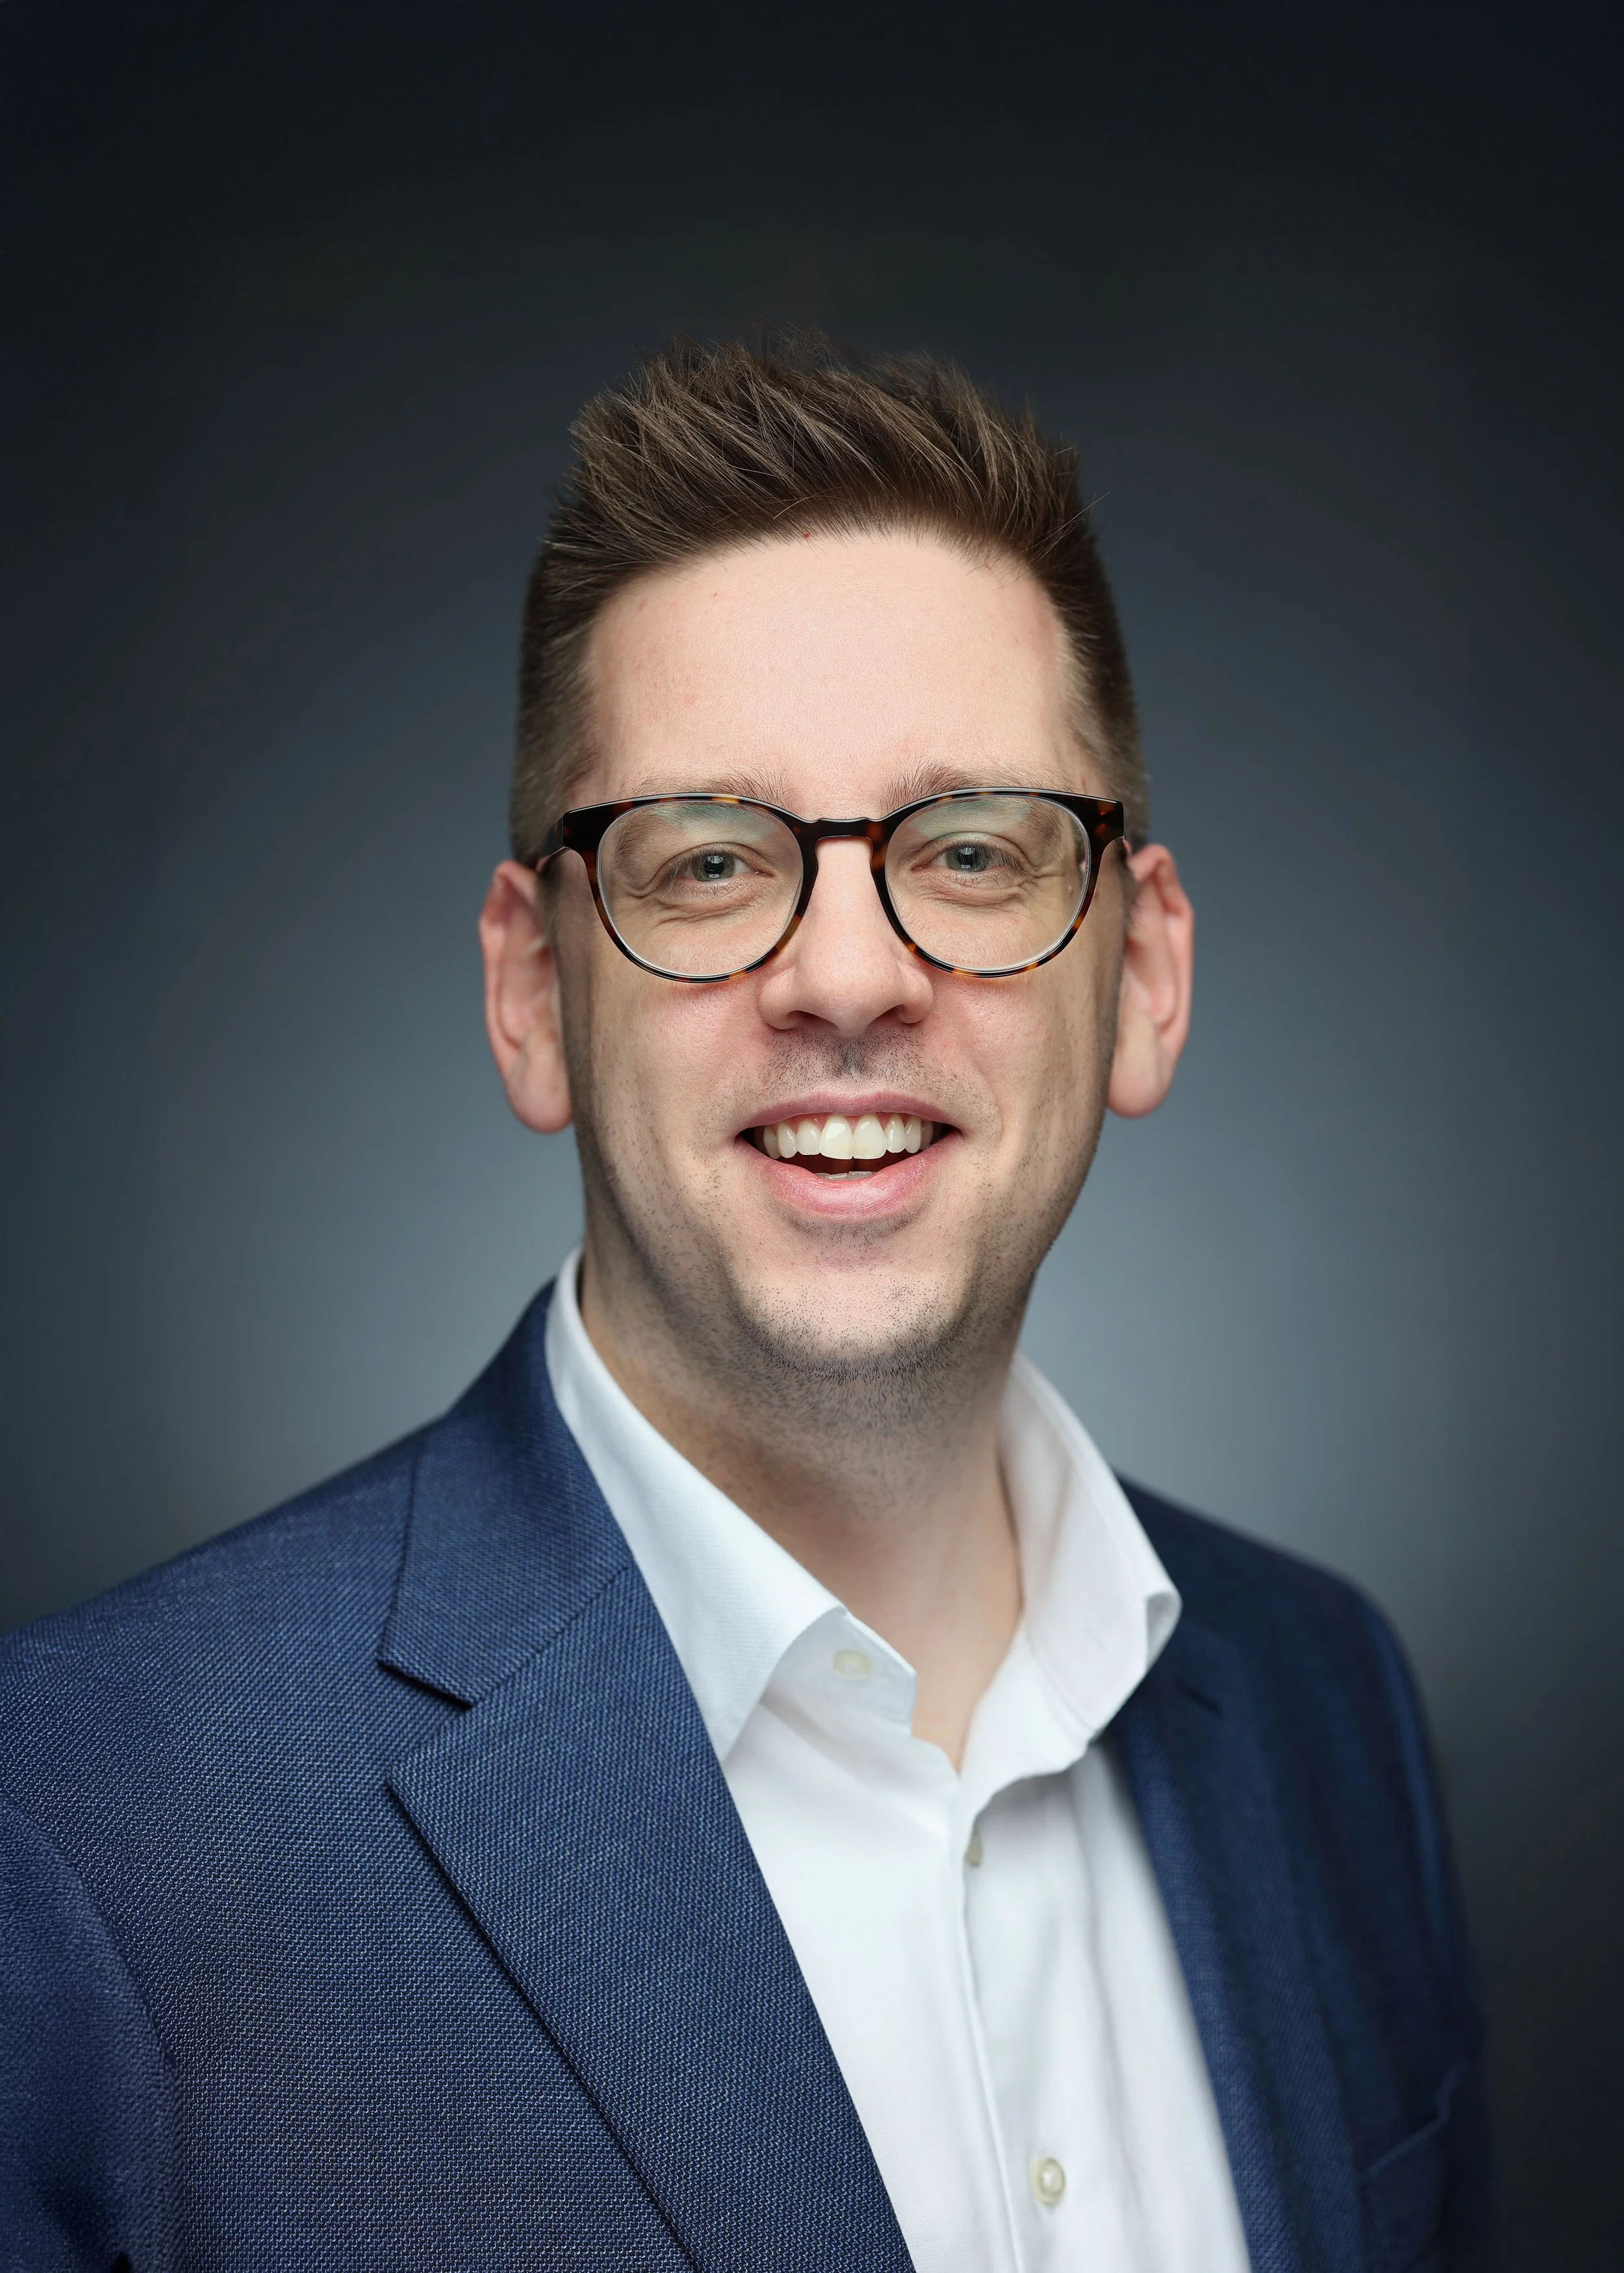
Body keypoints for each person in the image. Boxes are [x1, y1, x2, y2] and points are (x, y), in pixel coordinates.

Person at [0, 336, 1488, 2272]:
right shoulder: (85, 1821)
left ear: (1142, 981)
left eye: (969, 849)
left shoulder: (1326, 1699)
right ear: (533, 994)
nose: (849, 977)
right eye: (708, 862)